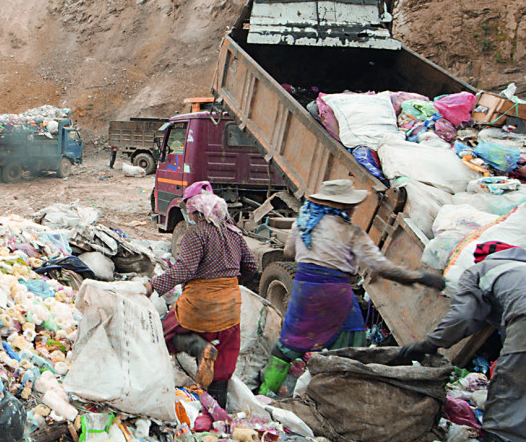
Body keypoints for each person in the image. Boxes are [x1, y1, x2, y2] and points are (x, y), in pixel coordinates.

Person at [257, 179, 446, 396]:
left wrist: (310, 249)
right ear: (345, 206)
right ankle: (342, 394)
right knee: (353, 347)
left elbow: (289, 252)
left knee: (288, 344)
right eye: (352, 205)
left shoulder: (301, 224)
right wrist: (418, 277)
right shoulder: (352, 232)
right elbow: (381, 267)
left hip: (305, 291)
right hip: (336, 294)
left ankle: (264, 395)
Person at [396, 241, 526, 442]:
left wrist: (429, 344)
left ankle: (499, 437)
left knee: (508, 390)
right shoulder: (517, 269)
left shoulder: (481, 270)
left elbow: (464, 317)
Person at [144, 181, 258, 407]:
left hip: (199, 304)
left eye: (190, 210)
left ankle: (199, 347)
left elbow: (184, 269)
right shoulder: (234, 234)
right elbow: (251, 266)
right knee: (223, 361)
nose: (190, 215)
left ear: (197, 211)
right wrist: (231, 282)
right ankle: (218, 416)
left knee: (163, 334)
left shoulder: (196, 234)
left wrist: (152, 286)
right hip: (230, 306)